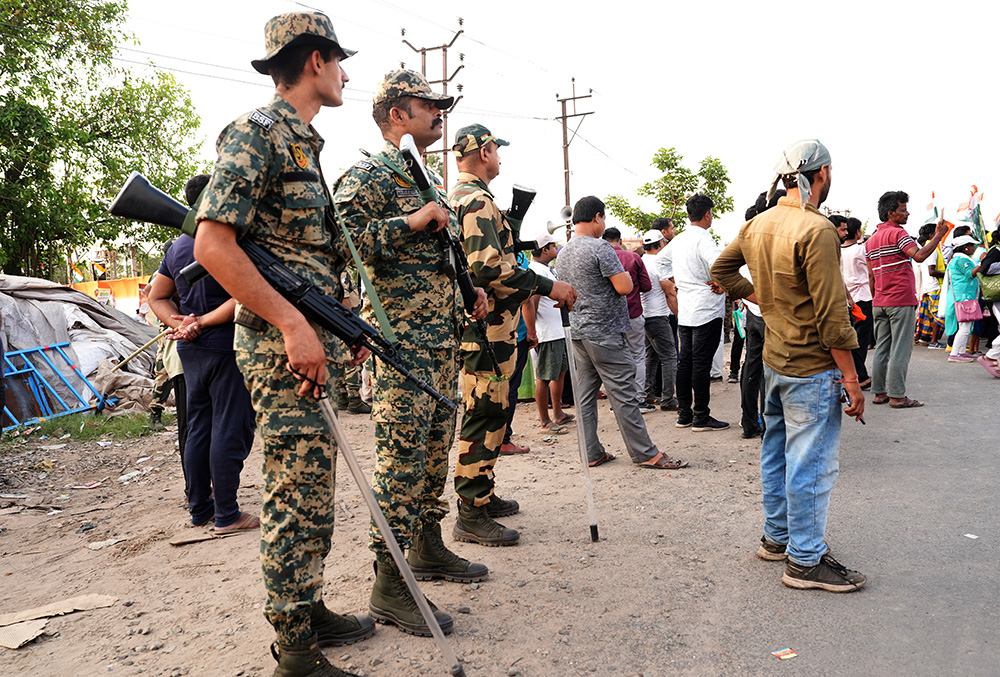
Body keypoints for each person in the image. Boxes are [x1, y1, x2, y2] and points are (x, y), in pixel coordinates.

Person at [191, 12, 374, 674]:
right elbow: (214, 244)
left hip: (309, 338)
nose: (348, 75)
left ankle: (307, 606)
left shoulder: (306, 146)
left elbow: (299, 259)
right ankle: (294, 648)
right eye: (340, 62)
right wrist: (296, 324)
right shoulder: (257, 133)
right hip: (276, 346)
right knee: (295, 486)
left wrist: (340, 320)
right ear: (316, 60)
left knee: (314, 483)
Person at [331, 71, 488, 635]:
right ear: (397, 113)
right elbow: (341, 244)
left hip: (442, 341)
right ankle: (388, 583)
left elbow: (440, 253)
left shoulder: (427, 178)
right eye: (430, 105)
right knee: (399, 462)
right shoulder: (369, 175)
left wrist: (468, 289)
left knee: (432, 453)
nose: (439, 113)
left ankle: (424, 546)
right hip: (399, 343)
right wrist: (412, 220)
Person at [711, 138, 866, 593]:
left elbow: (722, 272)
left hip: (776, 362)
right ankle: (804, 560)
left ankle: (778, 538)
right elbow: (833, 317)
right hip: (810, 368)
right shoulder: (816, 230)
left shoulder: (759, 223)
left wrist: (765, 300)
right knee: (811, 463)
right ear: (821, 174)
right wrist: (852, 379)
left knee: (778, 451)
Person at [447, 123, 576, 547]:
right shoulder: (477, 201)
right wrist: (546, 285)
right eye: (496, 150)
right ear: (484, 152)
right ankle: (471, 510)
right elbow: (488, 269)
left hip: (487, 326)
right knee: (485, 412)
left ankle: (481, 493)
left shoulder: (461, 197)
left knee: (493, 409)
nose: (499, 157)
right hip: (487, 330)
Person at [149, 175, 257, 532]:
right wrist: (199, 322)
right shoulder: (228, 241)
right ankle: (227, 514)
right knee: (231, 428)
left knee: (198, 429)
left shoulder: (177, 245)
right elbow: (244, 294)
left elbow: (156, 296)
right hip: (225, 344)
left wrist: (182, 324)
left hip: (191, 349)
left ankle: (200, 510)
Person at [555, 196, 687, 470]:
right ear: (597, 217)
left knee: (586, 395)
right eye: (603, 219)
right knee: (624, 393)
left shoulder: (564, 252)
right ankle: (645, 453)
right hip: (605, 331)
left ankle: (591, 451)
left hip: (580, 331)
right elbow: (624, 287)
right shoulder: (600, 247)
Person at [865, 191, 948, 408]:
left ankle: (879, 393)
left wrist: (879, 298)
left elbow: (871, 276)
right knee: (900, 349)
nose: (907, 213)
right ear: (891, 213)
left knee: (882, 348)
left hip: (880, 301)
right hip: (900, 300)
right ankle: (897, 396)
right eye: (903, 210)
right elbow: (918, 256)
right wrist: (938, 236)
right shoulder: (898, 233)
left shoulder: (871, 240)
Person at [658, 194, 728, 431]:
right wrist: (720, 282)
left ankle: (685, 414)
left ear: (688, 215)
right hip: (706, 308)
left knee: (685, 362)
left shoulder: (679, 240)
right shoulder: (704, 239)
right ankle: (701, 416)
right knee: (700, 364)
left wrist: (672, 281)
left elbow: (660, 262)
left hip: (686, 309)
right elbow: (719, 265)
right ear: (708, 214)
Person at [602, 227, 653, 411]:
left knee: (614, 360)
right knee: (638, 355)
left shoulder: (601, 257)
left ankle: (617, 401)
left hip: (609, 318)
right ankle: (638, 399)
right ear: (620, 240)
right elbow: (646, 286)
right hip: (633, 313)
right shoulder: (633, 258)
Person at [527, 233, 574, 432]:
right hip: (547, 332)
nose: (556, 249)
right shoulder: (536, 271)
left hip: (557, 331)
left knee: (559, 373)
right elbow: (530, 304)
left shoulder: (546, 269)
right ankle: (545, 421)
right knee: (545, 377)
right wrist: (533, 332)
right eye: (553, 246)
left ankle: (557, 413)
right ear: (544, 249)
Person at [639, 230, 678, 411]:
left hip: (644, 315)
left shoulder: (641, 261)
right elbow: (670, 289)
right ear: (660, 244)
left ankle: (648, 392)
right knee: (670, 356)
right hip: (658, 315)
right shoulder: (660, 262)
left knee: (651, 356)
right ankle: (668, 398)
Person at [840, 216, 873, 389]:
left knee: (851, 339)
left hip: (846, 298)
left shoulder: (838, 250)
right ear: (858, 231)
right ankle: (860, 376)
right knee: (860, 340)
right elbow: (870, 274)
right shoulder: (862, 249)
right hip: (862, 297)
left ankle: (854, 374)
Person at [943, 235, 982, 363]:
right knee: (965, 327)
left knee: (964, 325)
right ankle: (955, 354)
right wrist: (982, 263)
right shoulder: (961, 259)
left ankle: (961, 352)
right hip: (964, 297)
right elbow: (970, 274)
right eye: (972, 245)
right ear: (965, 247)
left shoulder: (958, 258)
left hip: (963, 297)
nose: (974, 248)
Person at [914, 223, 946, 348]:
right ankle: (933, 341)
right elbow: (932, 271)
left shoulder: (926, 247)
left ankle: (923, 338)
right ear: (932, 235)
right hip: (935, 286)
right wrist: (947, 274)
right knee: (939, 315)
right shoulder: (931, 248)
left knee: (927, 316)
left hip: (928, 287)